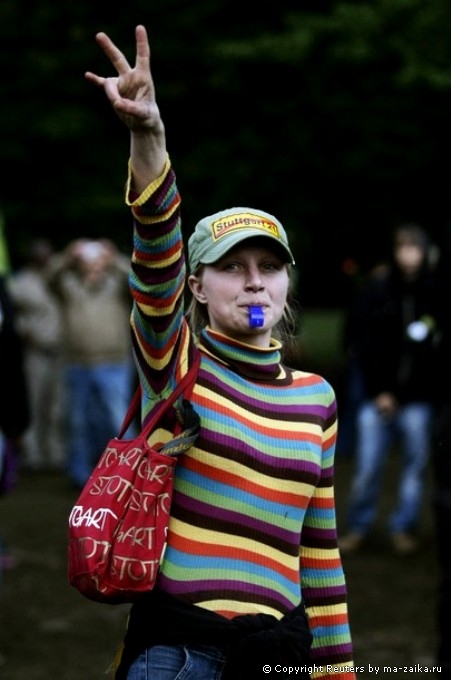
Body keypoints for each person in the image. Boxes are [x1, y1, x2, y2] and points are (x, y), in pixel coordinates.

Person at [84, 25, 357, 680]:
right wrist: (148, 138)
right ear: (199, 287)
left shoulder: (315, 398)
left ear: (288, 283)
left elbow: (317, 553)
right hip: (181, 657)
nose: (254, 279)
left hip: (281, 658)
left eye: (269, 265)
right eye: (231, 267)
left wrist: (337, 672)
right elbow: (154, 263)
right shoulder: (175, 366)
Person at [338, 222, 440, 556]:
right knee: (367, 467)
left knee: (414, 467)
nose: (409, 256)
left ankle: (403, 527)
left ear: (424, 252)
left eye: (415, 248)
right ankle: (357, 526)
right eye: (403, 248)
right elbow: (366, 346)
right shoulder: (378, 292)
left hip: (418, 401)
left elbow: (433, 353)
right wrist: (380, 391)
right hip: (375, 398)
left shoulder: (434, 294)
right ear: (395, 253)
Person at [45, 237, 135, 488]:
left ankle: (129, 472)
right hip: (77, 364)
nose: (93, 264)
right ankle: (80, 476)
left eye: (97, 260)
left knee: (119, 421)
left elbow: (138, 277)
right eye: (89, 259)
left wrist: (113, 256)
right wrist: (68, 254)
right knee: (77, 422)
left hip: (113, 363)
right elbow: (48, 277)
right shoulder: (69, 284)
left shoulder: (117, 283)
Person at [7, 238, 65, 472]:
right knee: (34, 402)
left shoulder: (59, 279)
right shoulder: (19, 283)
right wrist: (23, 331)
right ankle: (32, 455)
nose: (42, 257)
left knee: (58, 407)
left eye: (46, 252)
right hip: (35, 351)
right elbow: (11, 315)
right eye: (38, 253)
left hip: (61, 351)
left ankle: (56, 453)